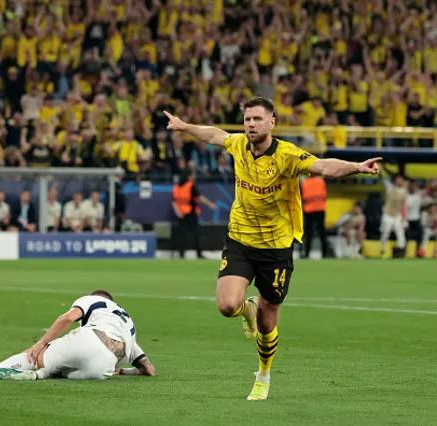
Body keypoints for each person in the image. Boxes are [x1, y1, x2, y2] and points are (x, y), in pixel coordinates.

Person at [163, 97, 381, 400]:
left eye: (257, 119)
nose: (251, 124)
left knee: (268, 321)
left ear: (272, 122)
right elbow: (214, 134)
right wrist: (185, 127)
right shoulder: (238, 144)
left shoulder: (287, 155)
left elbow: (322, 167)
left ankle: (263, 374)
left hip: (276, 248)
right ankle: (245, 309)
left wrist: (356, 166)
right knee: (227, 306)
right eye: (247, 119)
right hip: (240, 239)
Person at [0, 290, 155, 380]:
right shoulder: (128, 324)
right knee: (62, 371)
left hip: (91, 340)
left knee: (35, 356)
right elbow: (148, 369)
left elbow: (67, 319)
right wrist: (122, 372)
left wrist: (40, 343)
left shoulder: (94, 300)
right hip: (102, 370)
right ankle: (34, 376)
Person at [171, 171, 216, 259]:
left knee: (182, 234)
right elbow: (199, 197)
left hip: (181, 213)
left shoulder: (177, 187)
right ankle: (198, 253)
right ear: (188, 177)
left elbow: (174, 201)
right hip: (191, 212)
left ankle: (181, 253)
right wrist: (209, 204)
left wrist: (177, 212)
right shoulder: (191, 185)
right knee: (195, 233)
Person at [301, 175, 328, 259]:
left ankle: (306, 253)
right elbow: (324, 195)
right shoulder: (320, 181)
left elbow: (302, 197)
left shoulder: (304, 182)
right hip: (320, 208)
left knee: (308, 233)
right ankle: (324, 254)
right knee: (322, 232)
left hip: (308, 210)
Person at [380, 174, 408, 258]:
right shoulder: (390, 188)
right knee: (385, 233)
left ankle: (401, 249)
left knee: (400, 233)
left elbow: (404, 206)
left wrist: (404, 218)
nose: (399, 181)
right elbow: (384, 179)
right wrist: (381, 171)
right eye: (398, 179)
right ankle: (382, 249)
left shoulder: (404, 191)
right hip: (388, 215)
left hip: (398, 216)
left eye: (401, 179)